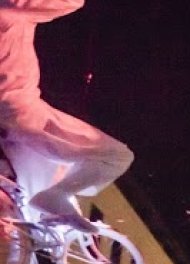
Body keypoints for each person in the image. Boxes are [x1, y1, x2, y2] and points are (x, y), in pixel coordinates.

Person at [0, 0, 134, 232]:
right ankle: (56, 195)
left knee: (32, 218)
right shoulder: (10, 10)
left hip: (15, 118)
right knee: (115, 156)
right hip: (21, 113)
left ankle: (28, 256)